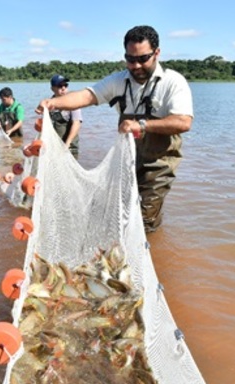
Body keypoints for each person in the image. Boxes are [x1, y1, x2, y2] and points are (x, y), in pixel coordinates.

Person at [36, 25, 193, 233]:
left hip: (158, 165)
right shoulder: (120, 80)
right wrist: (54, 103)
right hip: (126, 160)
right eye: (130, 59)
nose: (136, 65)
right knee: (119, 214)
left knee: (145, 220)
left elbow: (183, 122)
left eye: (143, 59)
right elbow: (88, 96)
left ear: (157, 53)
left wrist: (142, 124)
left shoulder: (173, 82)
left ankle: (147, 257)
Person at [48, 74, 83, 157]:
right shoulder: (50, 103)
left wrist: (67, 144)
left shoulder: (73, 102)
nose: (63, 88)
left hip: (69, 147)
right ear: (52, 89)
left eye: (65, 85)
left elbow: (76, 124)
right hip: (55, 147)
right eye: (60, 86)